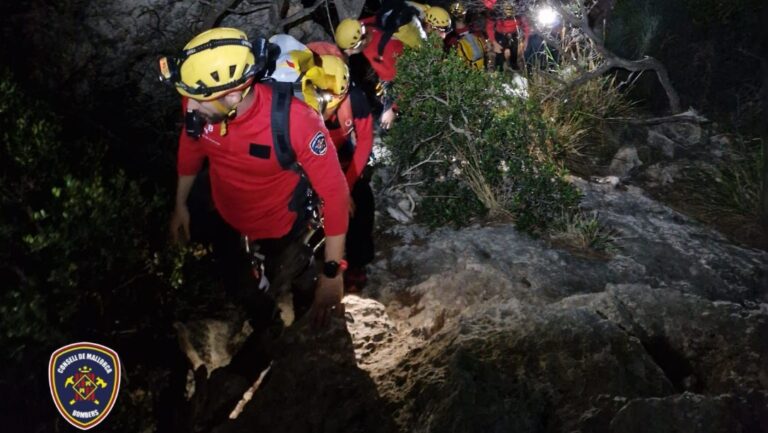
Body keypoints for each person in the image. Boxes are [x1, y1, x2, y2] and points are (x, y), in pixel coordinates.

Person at [160, 28, 349, 327]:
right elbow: (191, 149)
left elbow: (336, 195)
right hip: (225, 211)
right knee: (235, 279)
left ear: (234, 95)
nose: (190, 108)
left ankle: (302, 320)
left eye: (199, 100)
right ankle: (266, 321)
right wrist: (180, 204)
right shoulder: (199, 104)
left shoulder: (297, 122)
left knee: (298, 279)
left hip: (281, 226)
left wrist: (332, 275)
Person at [334, 15, 422, 130]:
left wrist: (393, 108)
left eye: (351, 49)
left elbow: (407, 78)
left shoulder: (388, 49)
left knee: (386, 124)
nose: (350, 53)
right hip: (386, 75)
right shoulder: (361, 27)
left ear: (361, 41)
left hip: (400, 80)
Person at [485, 0, 530, 71]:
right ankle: (499, 73)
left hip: (515, 34)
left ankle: (517, 73)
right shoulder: (496, 7)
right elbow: (489, 27)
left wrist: (526, 39)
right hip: (500, 34)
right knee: (499, 55)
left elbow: (526, 25)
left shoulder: (519, 6)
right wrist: (494, 42)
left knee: (516, 54)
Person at [445, 1, 486, 70]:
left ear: (451, 16)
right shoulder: (476, 31)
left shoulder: (449, 38)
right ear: (465, 14)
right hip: (481, 68)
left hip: (465, 72)